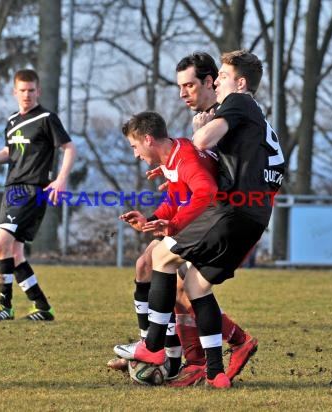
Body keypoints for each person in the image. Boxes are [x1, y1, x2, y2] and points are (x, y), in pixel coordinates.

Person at [119, 49, 285, 389]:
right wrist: (178, 175)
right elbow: (236, 169)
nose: (183, 94)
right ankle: (212, 369)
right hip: (252, 213)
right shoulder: (249, 118)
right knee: (191, 285)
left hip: (231, 209)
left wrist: (198, 140)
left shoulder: (235, 104)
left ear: (218, 82)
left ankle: (156, 351)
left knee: (159, 260)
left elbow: (204, 154)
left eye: (190, 85)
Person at [0, 68, 76, 321]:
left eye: (31, 90)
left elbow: (69, 147)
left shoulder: (47, 118)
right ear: (15, 92)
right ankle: (43, 307)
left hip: (32, 189)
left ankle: (4, 306)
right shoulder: (13, 121)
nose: (27, 95)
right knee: (14, 253)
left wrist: (60, 179)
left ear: (38, 91)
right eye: (22, 90)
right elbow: (8, 153)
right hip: (12, 189)